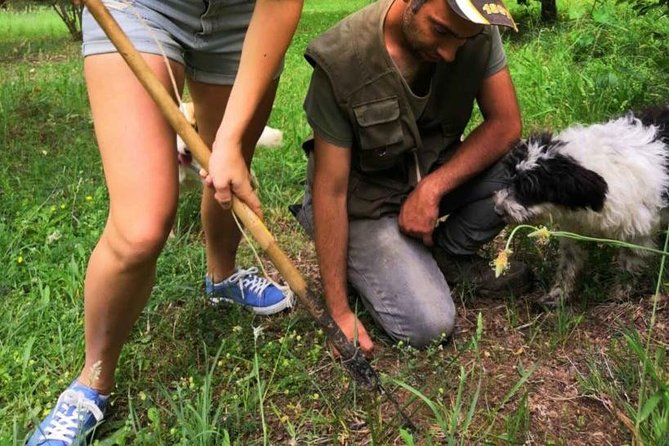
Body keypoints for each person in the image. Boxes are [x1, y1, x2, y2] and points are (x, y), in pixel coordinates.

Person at [27, 0, 303, 444]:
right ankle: (91, 382)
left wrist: (229, 142)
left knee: (230, 171)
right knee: (141, 227)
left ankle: (223, 276)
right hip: (141, 5)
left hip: (245, 16)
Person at [293, 0, 532, 355]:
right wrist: (338, 311)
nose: (450, 53)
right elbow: (331, 190)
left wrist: (432, 189)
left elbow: (506, 124)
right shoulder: (342, 60)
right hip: (365, 203)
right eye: (441, 31)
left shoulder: (475, 27)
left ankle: (450, 253)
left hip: (432, 172)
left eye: (463, 41)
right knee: (429, 324)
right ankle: (366, 257)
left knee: (532, 167)